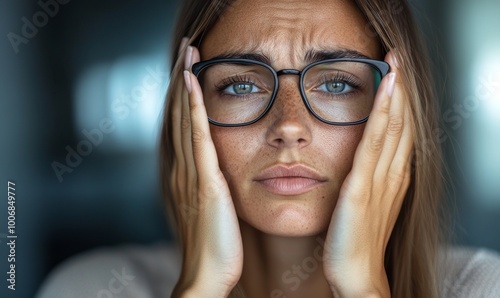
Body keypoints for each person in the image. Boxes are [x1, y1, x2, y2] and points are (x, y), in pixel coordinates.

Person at [36, 0, 500, 297]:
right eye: (240, 86)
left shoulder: (481, 287)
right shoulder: (91, 288)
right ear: (186, 107)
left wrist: (364, 291)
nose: (290, 126)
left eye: (337, 84)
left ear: (397, 109)